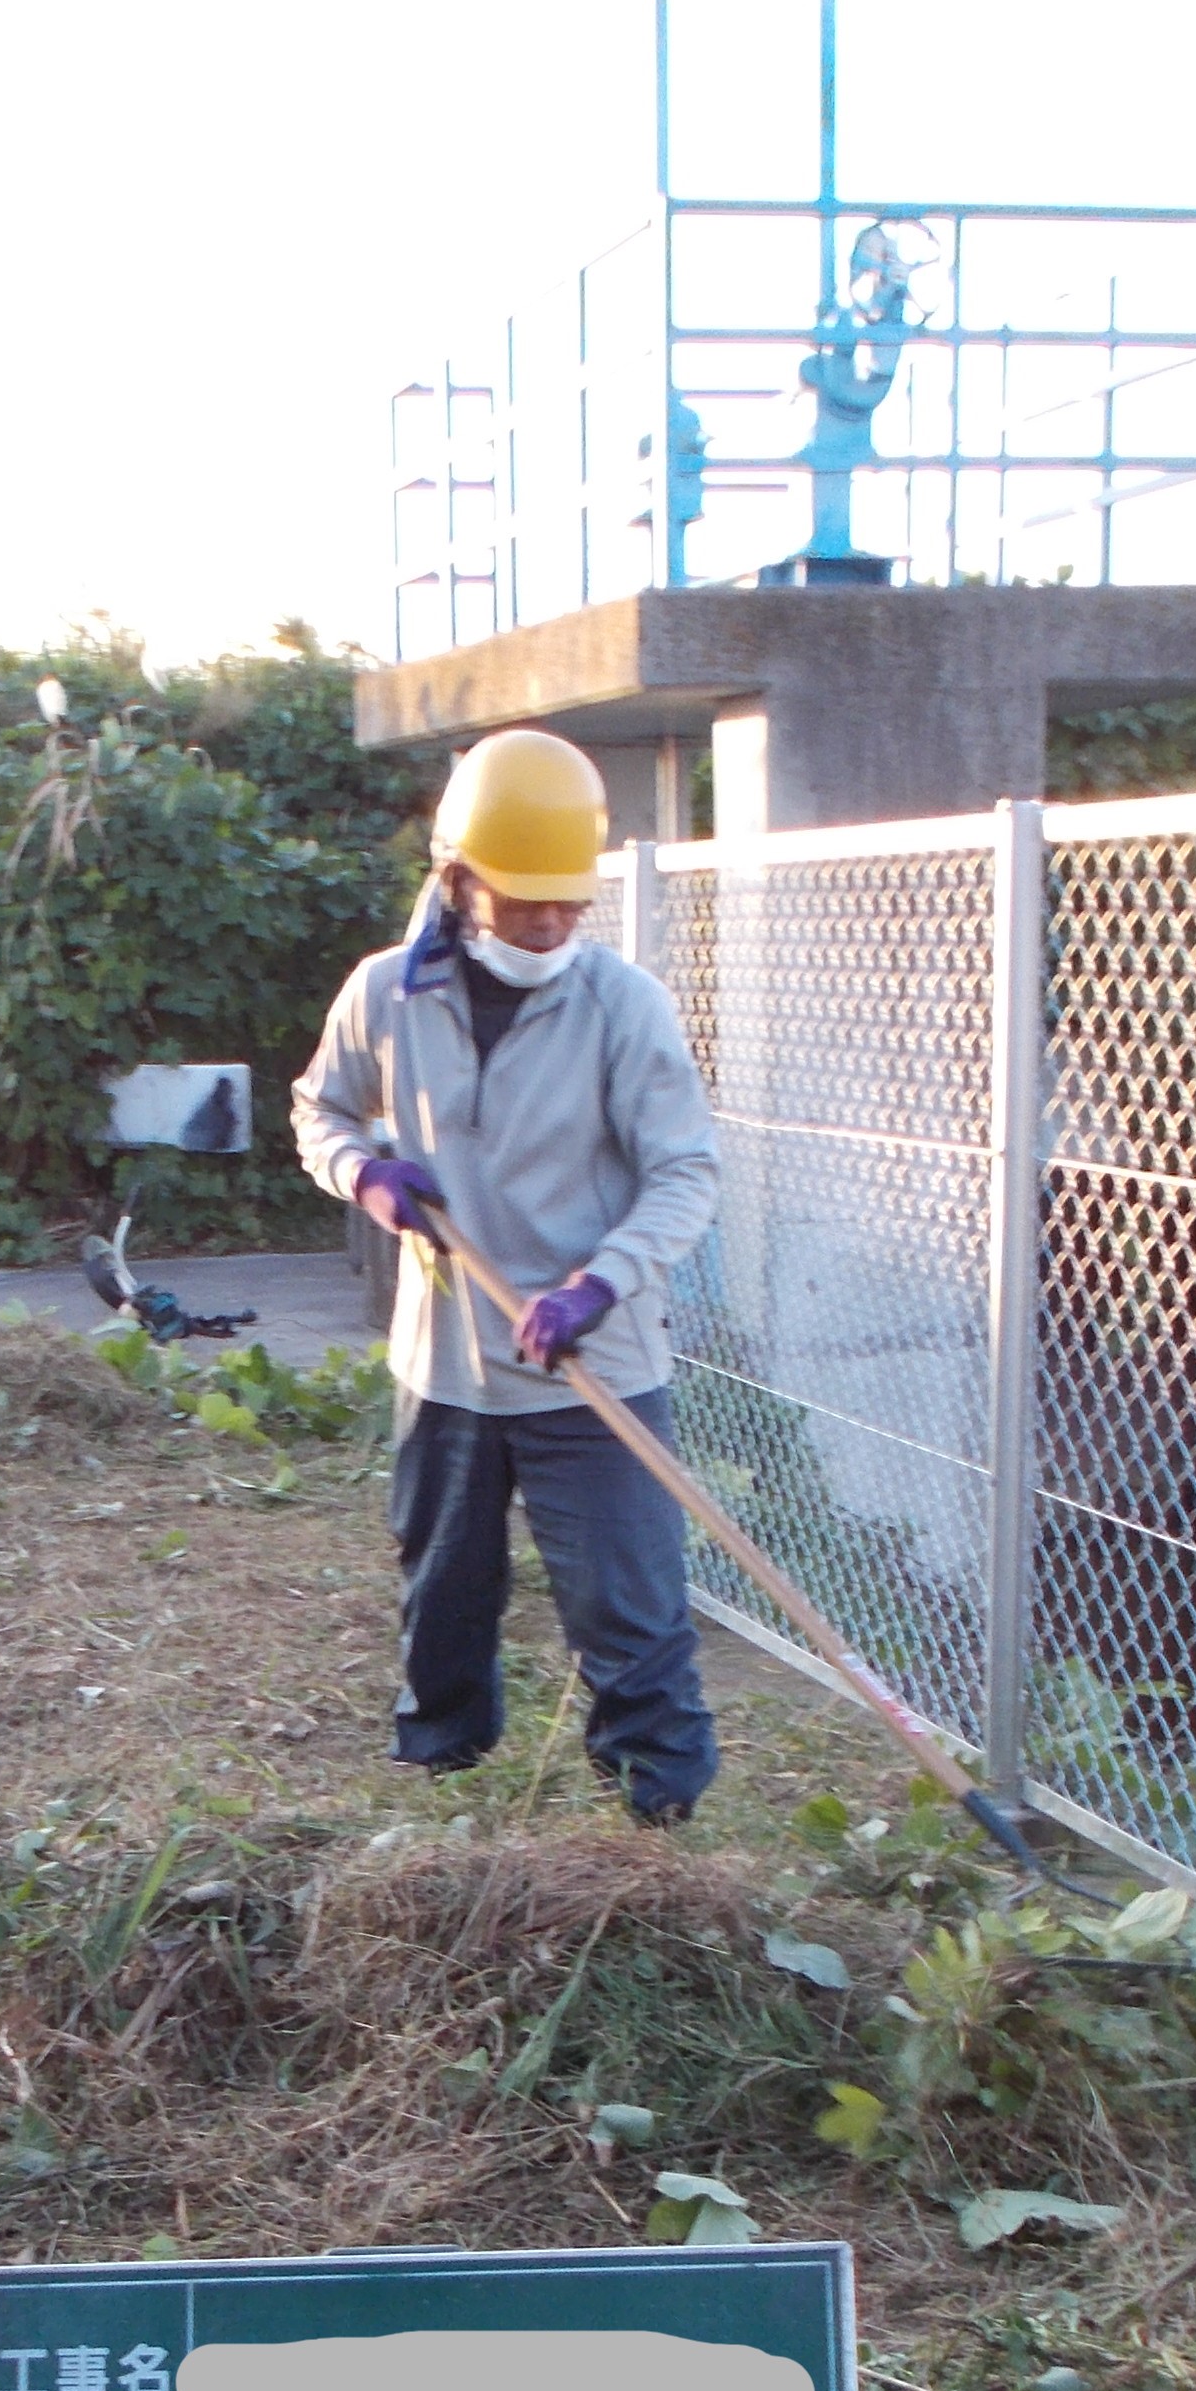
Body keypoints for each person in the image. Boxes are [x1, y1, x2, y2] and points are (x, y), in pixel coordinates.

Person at [293, 729, 722, 1826]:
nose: (549, 923)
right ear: (458, 876)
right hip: (446, 1363)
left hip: (593, 1360)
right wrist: (365, 1175)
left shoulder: (624, 1008)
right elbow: (320, 1109)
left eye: (569, 902)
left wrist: (601, 1282)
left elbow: (684, 1173)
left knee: (629, 1604)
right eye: (525, 898)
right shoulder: (385, 994)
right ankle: (444, 1779)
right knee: (442, 1592)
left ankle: (656, 1810)